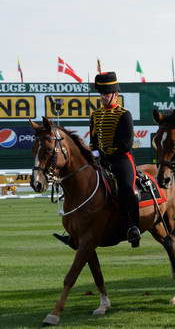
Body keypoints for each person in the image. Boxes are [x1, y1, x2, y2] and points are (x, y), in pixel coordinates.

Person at [53, 72, 141, 247]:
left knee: (125, 187)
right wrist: (93, 152)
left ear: (115, 94)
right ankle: (75, 231)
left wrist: (105, 152)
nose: (103, 97)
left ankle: (133, 227)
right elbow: (93, 141)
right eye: (101, 94)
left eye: (106, 94)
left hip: (120, 159)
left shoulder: (124, 114)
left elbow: (126, 144)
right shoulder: (95, 115)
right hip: (100, 159)